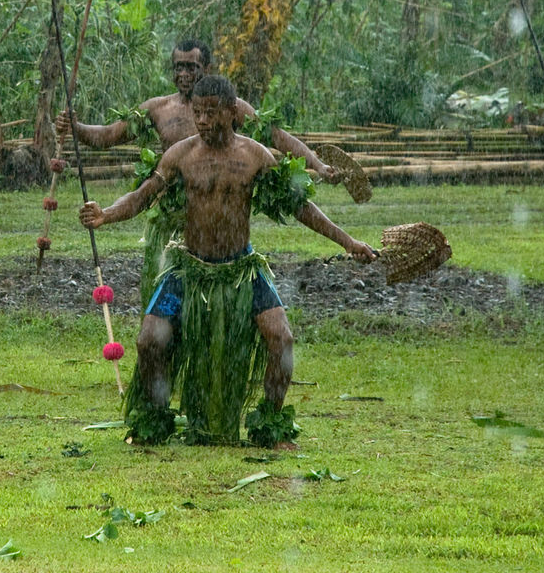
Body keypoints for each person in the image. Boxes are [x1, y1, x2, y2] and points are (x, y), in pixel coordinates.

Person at [78, 74, 377, 448]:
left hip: (241, 270)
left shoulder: (255, 156)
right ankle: (154, 420)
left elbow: (299, 207)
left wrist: (348, 242)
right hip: (188, 270)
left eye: (210, 113)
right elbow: (142, 196)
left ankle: (271, 425)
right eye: (197, 113)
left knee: (281, 340)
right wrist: (105, 214)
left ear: (232, 113)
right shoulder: (181, 155)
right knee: (148, 341)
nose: (201, 121)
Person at [59, 38, 340, 304]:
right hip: (171, 221)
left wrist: (316, 164)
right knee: (165, 304)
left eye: (191, 67)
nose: (183, 73)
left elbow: (276, 137)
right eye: (178, 67)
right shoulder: (158, 109)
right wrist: (76, 128)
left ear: (206, 69)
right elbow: (108, 136)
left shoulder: (231, 107)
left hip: (218, 214)